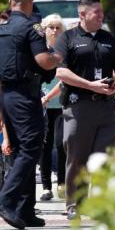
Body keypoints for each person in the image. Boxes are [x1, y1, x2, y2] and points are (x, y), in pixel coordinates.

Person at [0, 0, 60, 229]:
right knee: (30, 149)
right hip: (25, 96)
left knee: (20, 151)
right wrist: (59, 55)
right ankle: (5, 201)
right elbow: (44, 61)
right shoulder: (31, 27)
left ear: (11, 2)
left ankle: (25, 209)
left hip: (6, 96)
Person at [54, 0, 115, 220]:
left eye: (101, 11)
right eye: (96, 12)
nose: (101, 15)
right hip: (79, 106)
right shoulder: (67, 38)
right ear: (82, 15)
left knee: (106, 158)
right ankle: (75, 204)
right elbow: (61, 72)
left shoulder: (109, 39)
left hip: (106, 108)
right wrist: (90, 85)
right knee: (77, 158)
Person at [39, 14, 66, 201]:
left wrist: (48, 96)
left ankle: (62, 183)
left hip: (60, 104)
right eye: (51, 27)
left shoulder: (65, 51)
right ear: (44, 29)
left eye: (57, 27)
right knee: (44, 147)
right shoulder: (38, 50)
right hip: (40, 105)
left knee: (61, 145)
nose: (54, 30)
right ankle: (46, 186)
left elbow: (65, 79)